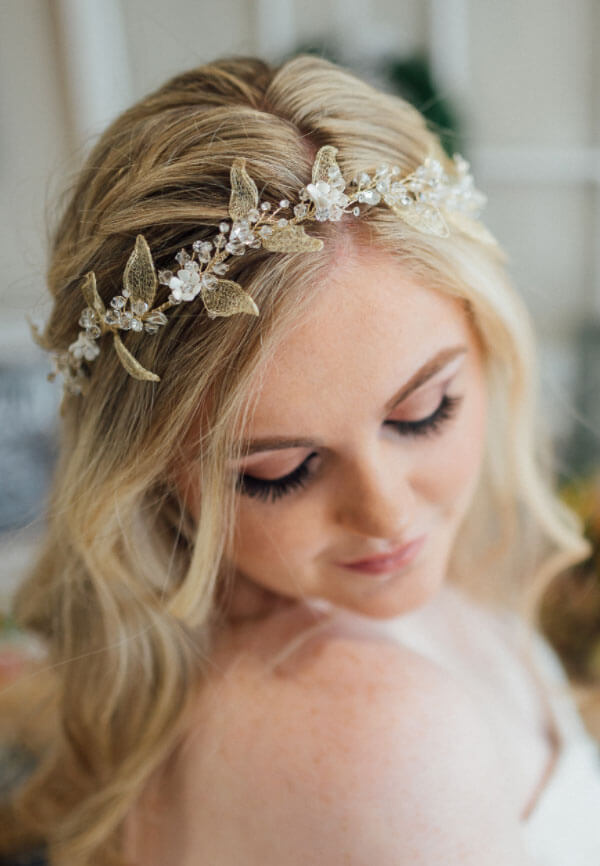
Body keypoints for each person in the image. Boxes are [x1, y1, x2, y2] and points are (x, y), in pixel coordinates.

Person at [2, 54, 599, 866]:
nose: (386, 511)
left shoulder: (383, 607)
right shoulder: (375, 738)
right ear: (151, 474)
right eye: (279, 471)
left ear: (486, 339)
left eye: (426, 413)